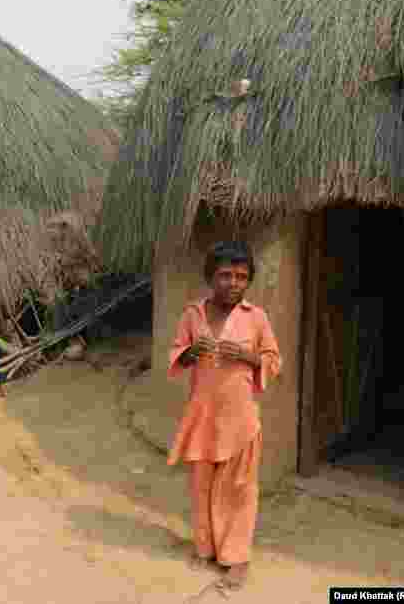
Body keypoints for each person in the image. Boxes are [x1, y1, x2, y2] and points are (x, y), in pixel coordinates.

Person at [167, 240, 281, 590]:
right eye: (225, 275)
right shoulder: (193, 314)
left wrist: (247, 357)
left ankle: (236, 558)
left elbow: (273, 360)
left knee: (240, 489)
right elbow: (177, 354)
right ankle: (205, 548)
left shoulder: (256, 317)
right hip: (202, 416)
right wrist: (191, 352)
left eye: (241, 277)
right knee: (201, 486)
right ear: (210, 277)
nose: (233, 283)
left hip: (240, 419)